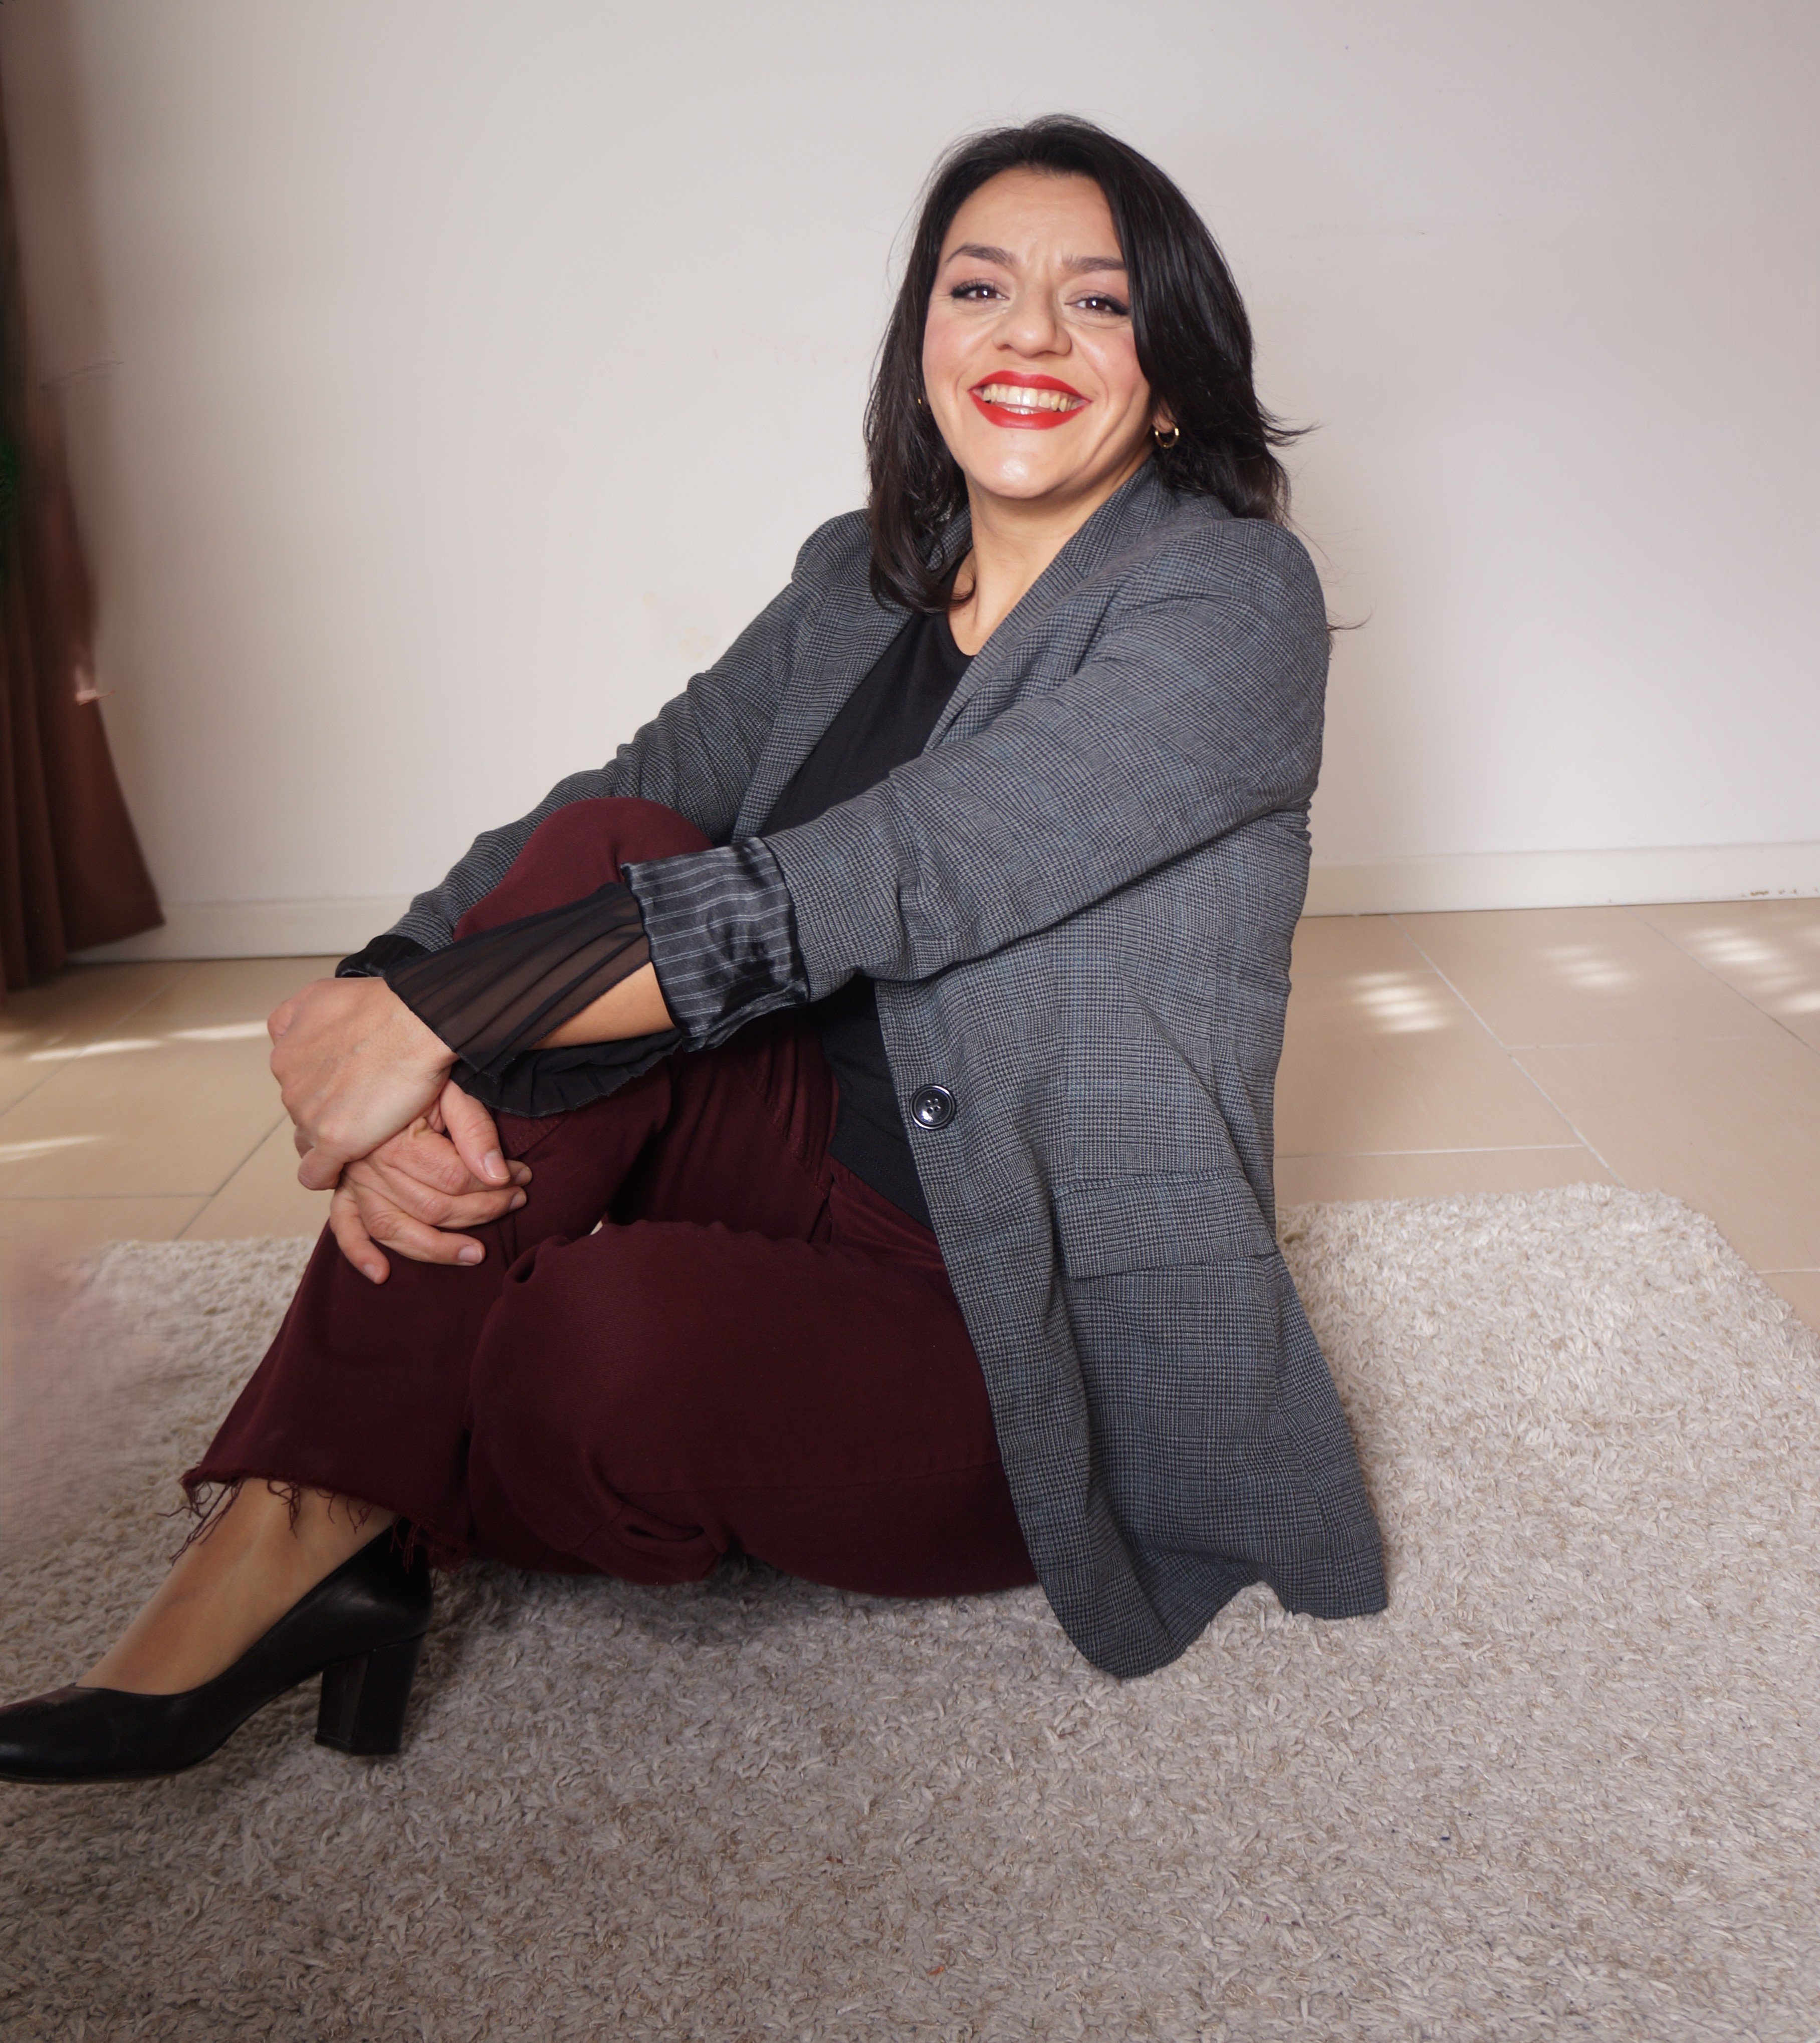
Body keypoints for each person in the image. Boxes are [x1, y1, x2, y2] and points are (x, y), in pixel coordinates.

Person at [0, 116, 1385, 1786]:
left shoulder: (1230, 602)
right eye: (979, 288)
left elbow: (900, 868)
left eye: (1096, 301)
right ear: (923, 341)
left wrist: (436, 1025)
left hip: (1014, 1309)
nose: (1028, 334)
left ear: (1169, 375)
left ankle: (390, 1465)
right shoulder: (860, 578)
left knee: (592, 1350)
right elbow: (631, 789)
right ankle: (294, 1521)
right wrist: (385, 985)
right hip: (786, 1145)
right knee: (610, 849)